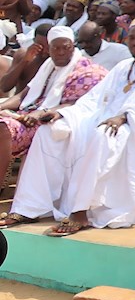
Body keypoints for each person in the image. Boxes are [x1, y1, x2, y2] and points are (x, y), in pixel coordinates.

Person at [3, 24, 135, 235]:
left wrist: (125, 116)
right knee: (49, 132)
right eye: (131, 37)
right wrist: (62, 114)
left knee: (104, 134)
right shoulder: (123, 66)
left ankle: (81, 211)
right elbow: (93, 99)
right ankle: (30, 206)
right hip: (105, 119)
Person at [0, 26, 105, 193]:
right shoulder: (48, 66)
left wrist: (40, 113)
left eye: (66, 47)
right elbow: (21, 97)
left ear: (73, 46)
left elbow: (81, 103)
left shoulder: (87, 71)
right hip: (27, 114)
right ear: (49, 49)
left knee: (3, 129)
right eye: (56, 48)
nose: (61, 52)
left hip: (50, 120)